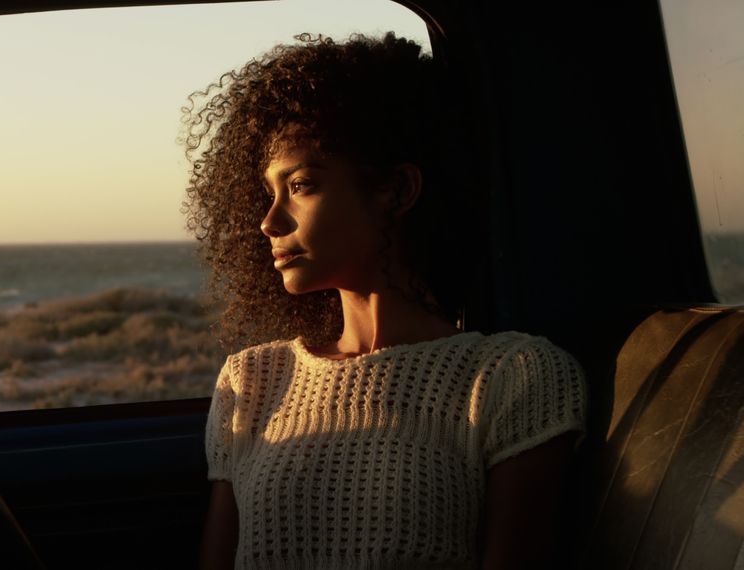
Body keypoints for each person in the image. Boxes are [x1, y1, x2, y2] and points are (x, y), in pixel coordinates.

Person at [181, 33, 588, 570]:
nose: (269, 220)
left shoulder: (512, 378)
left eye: (300, 185)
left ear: (396, 191)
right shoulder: (253, 381)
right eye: (269, 193)